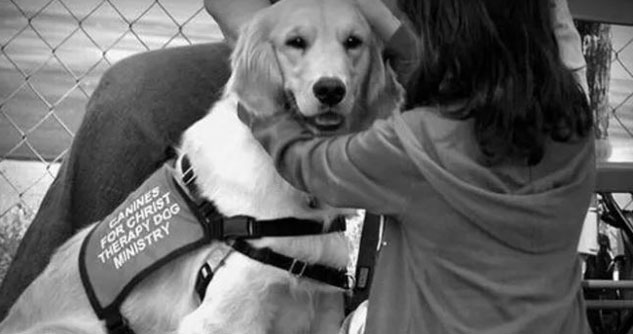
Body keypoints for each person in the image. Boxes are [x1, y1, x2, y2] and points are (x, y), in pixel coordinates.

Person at [0, 0, 590, 328]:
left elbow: (314, 160)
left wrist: (282, 104)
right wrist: (270, 61)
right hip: (291, 40)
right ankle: (57, 305)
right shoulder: (578, 144)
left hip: (410, 65)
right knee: (133, 98)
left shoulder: (417, 143)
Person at [240, 0, 595, 333]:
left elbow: (308, 163)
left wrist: (260, 103)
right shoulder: (573, 132)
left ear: (443, 40)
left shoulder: (415, 149)